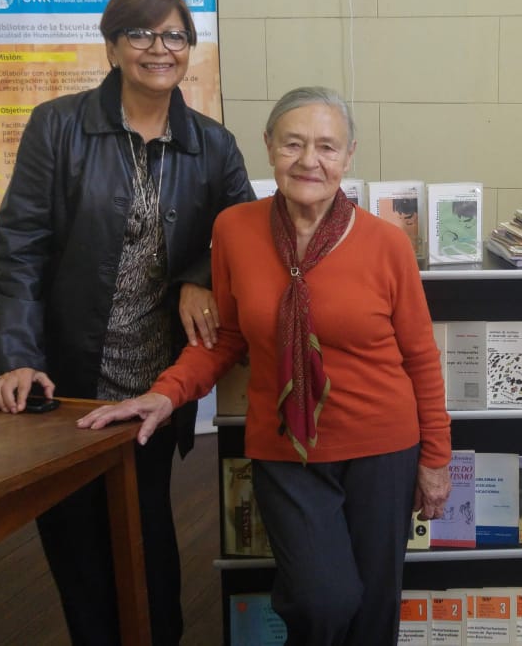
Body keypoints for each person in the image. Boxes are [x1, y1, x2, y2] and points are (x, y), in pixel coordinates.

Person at [77, 86, 453, 645]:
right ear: (268, 147)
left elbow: (421, 356)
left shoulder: (386, 244)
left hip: (382, 447)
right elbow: (225, 337)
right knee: (322, 599)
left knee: (373, 609)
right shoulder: (234, 229)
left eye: (327, 147)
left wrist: (435, 459)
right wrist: (167, 392)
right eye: (293, 144)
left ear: (349, 157)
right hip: (287, 448)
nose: (309, 161)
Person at [0, 0, 255, 645]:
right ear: (111, 47)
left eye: (174, 36)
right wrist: (17, 354)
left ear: (189, 49)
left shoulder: (213, 145)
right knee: (76, 540)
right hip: (70, 375)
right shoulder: (60, 126)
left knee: (146, 532)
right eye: (141, 33)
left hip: (154, 377)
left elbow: (244, 234)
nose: (158, 48)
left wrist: (197, 276)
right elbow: (18, 251)